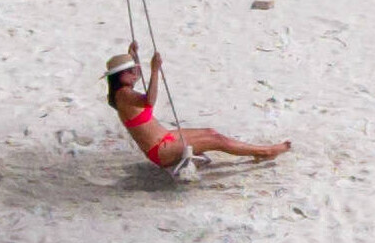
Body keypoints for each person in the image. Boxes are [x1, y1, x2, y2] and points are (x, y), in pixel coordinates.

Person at [106, 48, 286, 173]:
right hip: (161, 150)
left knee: (211, 132)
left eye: (135, 70)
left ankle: (261, 151)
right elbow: (149, 100)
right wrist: (154, 71)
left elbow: (136, 81)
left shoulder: (120, 93)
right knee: (218, 140)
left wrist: (134, 57)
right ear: (118, 77)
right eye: (130, 71)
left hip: (165, 138)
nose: (135, 74)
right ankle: (264, 152)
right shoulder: (124, 94)